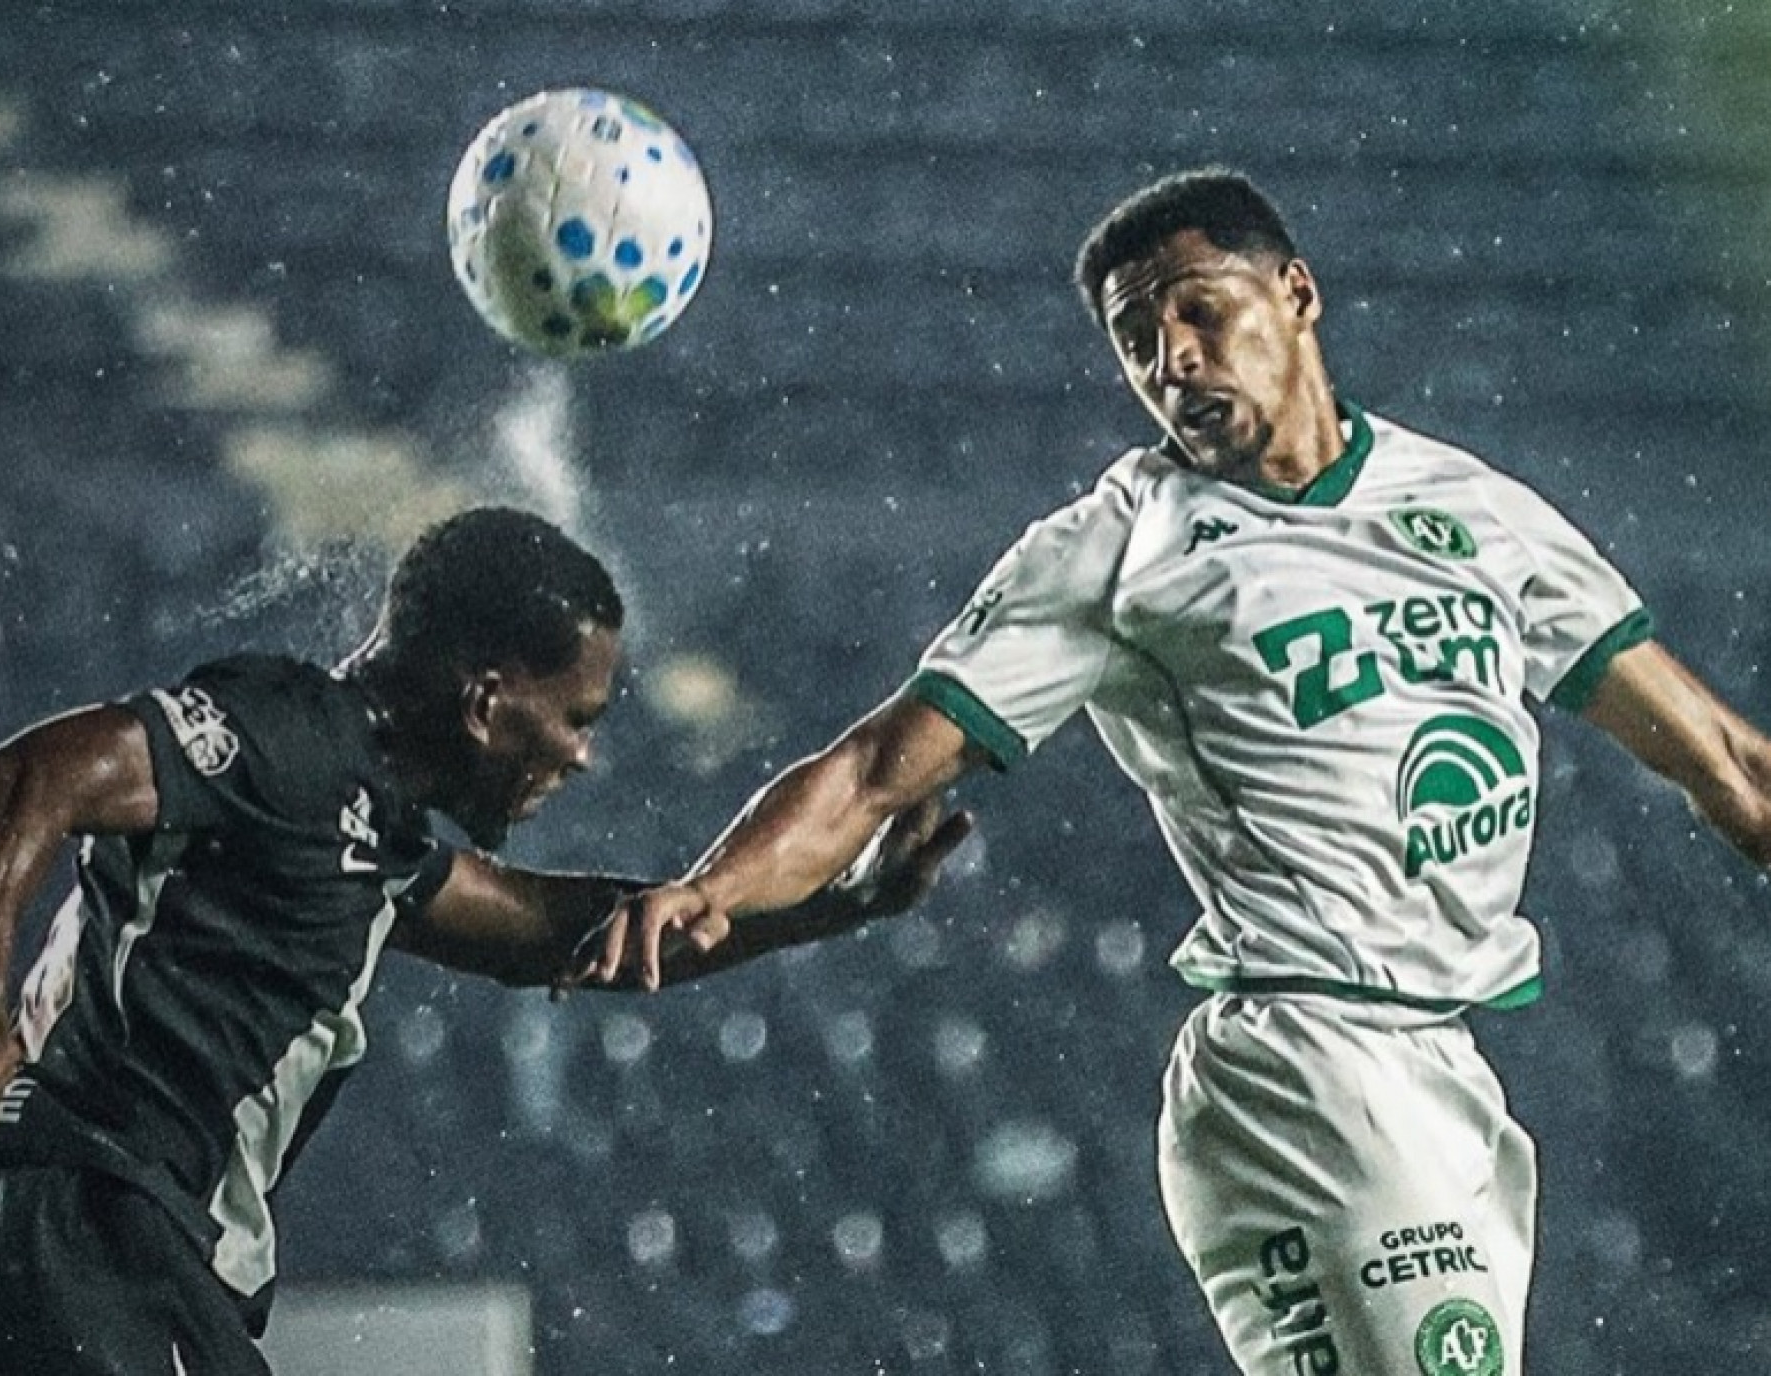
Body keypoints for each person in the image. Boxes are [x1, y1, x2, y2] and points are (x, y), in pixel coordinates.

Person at [591, 167, 1771, 1375]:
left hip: (1440, 1064)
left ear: (1296, 293)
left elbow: (1729, 760)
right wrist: (714, 887)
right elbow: (878, 769)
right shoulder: (1122, 547)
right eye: (1138, 339)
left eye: (1200, 311)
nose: (1175, 360)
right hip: (1310, 1054)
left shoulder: (1477, 511)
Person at [0, 506, 970, 1375]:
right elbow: (29, 772)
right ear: (489, 700)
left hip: (44, 1257)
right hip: (94, 1242)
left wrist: (829, 905)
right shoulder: (288, 735)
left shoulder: (377, 839)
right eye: (577, 715)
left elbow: (566, 934)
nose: (584, 755)